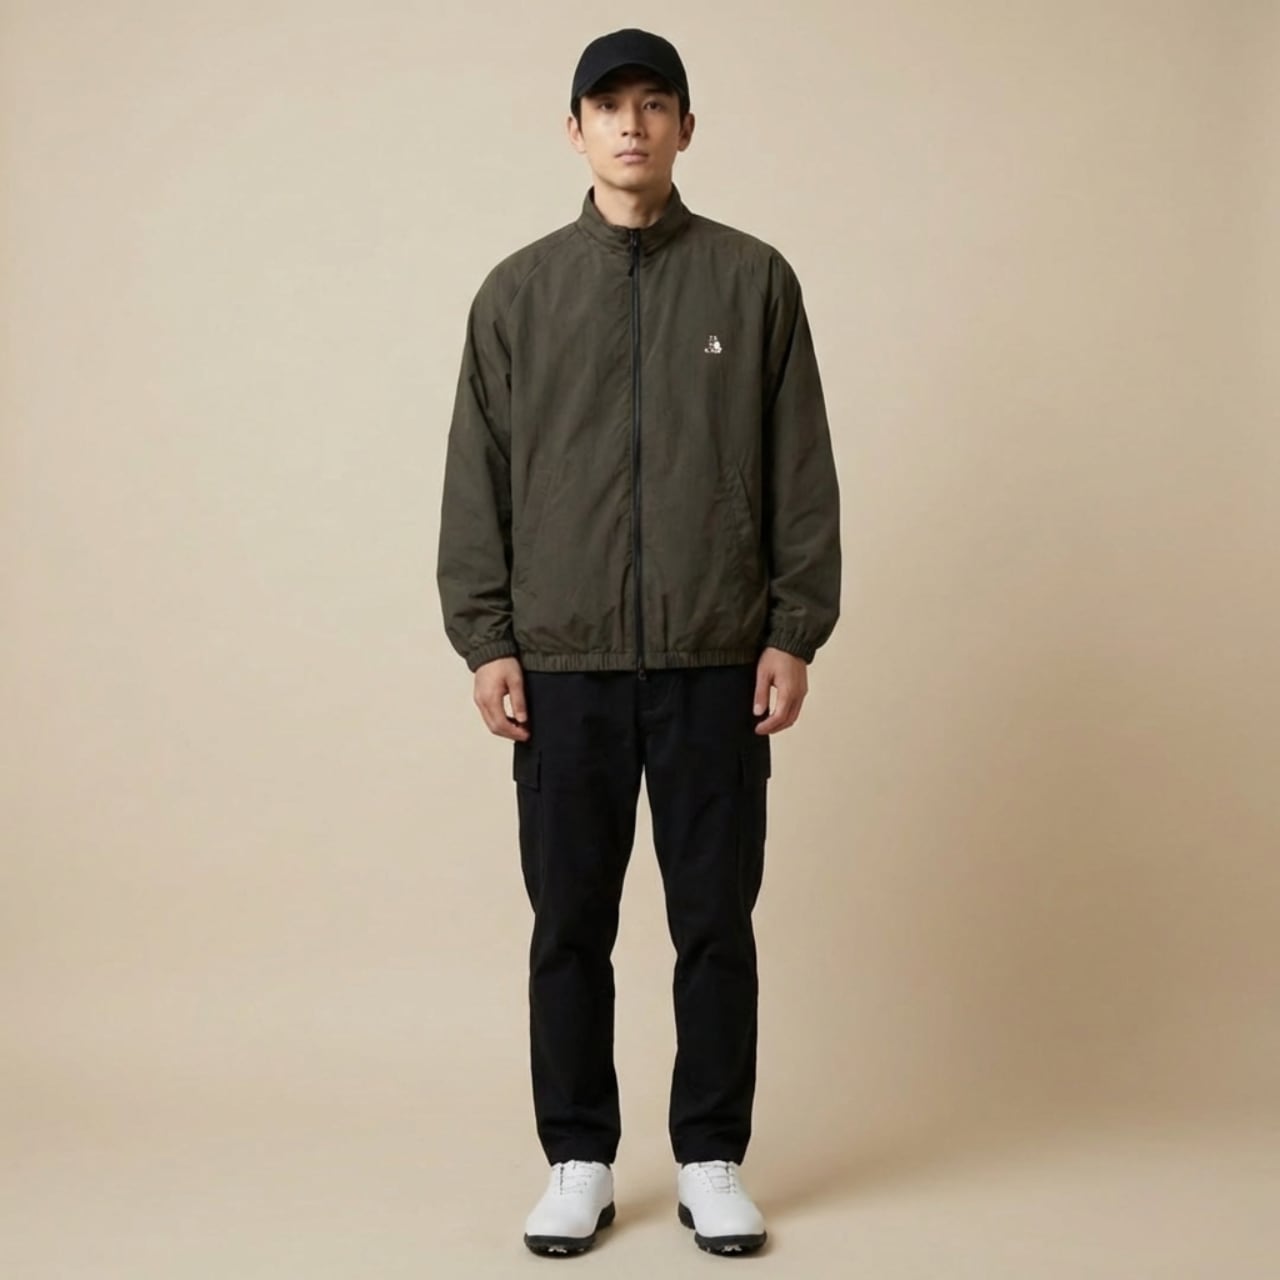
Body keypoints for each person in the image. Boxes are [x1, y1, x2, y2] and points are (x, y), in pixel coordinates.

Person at [436, 27, 841, 1257]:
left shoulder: (752, 282)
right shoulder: (516, 294)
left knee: (713, 919)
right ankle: (578, 1157)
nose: (630, 125)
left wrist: (792, 628)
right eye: (607, 106)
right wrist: (485, 638)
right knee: (570, 923)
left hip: (715, 657)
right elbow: (476, 479)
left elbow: (798, 467)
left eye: (653, 104)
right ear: (573, 131)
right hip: (561, 665)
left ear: (684, 128)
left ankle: (711, 1155)